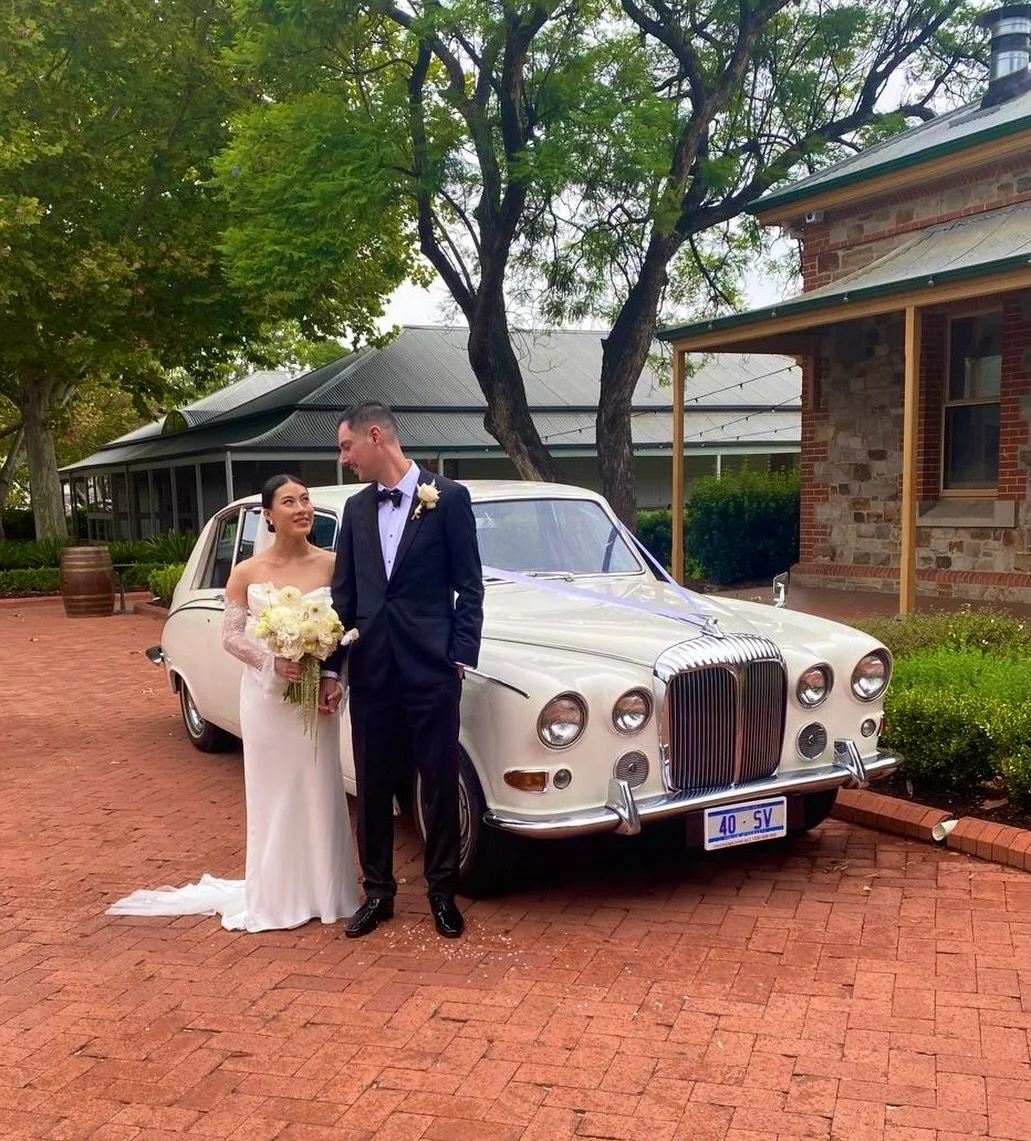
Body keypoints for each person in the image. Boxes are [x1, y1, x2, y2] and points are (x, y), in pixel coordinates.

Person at [107, 475, 361, 931]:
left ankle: (328, 890)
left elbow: (343, 633)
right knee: (274, 792)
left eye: (305, 500)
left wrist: (331, 677)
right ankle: (276, 894)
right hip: (267, 699)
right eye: (289, 502)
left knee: (319, 786)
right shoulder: (246, 571)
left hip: (313, 699)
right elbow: (230, 638)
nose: (301, 508)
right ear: (269, 514)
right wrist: (272, 659)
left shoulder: (334, 564)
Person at [321, 402, 484, 939]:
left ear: (374, 437)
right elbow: (345, 596)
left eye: (347, 447)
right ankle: (378, 893)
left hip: (432, 669)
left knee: (437, 782)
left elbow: (470, 586)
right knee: (371, 784)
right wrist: (331, 669)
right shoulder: (354, 508)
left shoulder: (449, 498)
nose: (344, 459)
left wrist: (458, 654)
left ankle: (442, 892)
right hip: (372, 670)